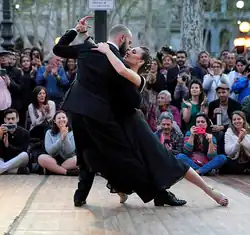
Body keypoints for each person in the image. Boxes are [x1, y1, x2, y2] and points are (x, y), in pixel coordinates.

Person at [53, 17, 229, 207]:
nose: (129, 49)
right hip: (120, 125)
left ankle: (209, 192)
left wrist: (98, 44)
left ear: (141, 60)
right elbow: (104, 57)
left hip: (136, 127)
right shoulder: (112, 60)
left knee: (165, 161)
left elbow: (117, 65)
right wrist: (85, 35)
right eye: (130, 45)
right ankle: (142, 192)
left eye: (134, 50)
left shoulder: (135, 76)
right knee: (109, 158)